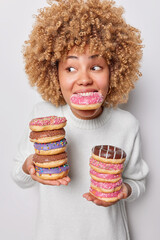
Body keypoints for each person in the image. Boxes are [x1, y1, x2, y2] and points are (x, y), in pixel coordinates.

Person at [12, 0, 149, 239]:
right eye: (71, 68)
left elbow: (138, 183)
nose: (84, 79)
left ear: (115, 72)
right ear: (53, 74)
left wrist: (124, 190)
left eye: (96, 67)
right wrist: (30, 164)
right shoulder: (42, 115)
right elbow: (19, 175)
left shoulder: (127, 124)